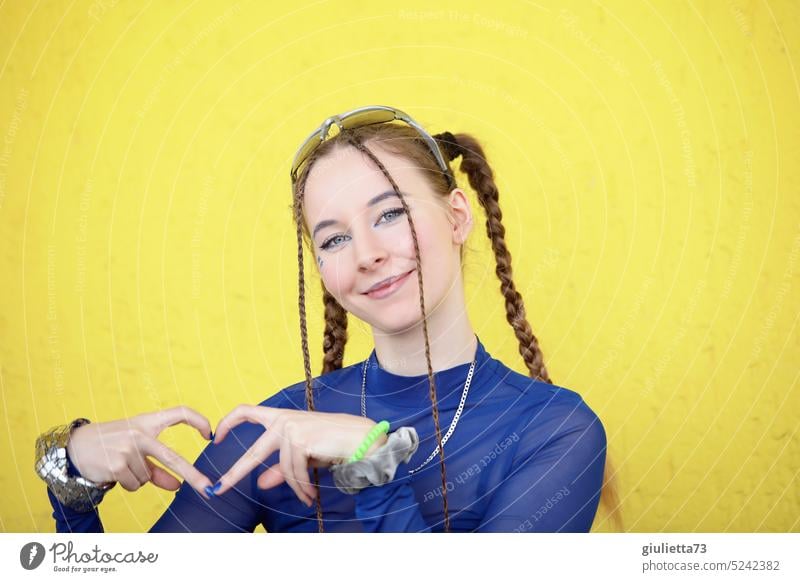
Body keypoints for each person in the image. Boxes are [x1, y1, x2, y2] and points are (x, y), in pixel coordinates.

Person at [36, 105, 619, 533]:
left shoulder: (558, 432)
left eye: (389, 213)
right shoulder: (278, 427)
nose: (365, 253)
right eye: (334, 238)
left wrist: (371, 462)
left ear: (457, 215)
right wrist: (72, 474)